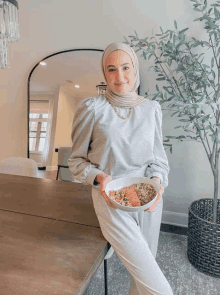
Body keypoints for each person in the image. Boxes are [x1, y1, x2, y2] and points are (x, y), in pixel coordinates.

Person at [68, 42, 174, 295]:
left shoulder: (151, 109)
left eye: (126, 68)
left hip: (147, 198)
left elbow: (158, 159)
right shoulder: (92, 108)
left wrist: (157, 184)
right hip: (110, 199)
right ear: (104, 74)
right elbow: (76, 161)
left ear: (135, 69)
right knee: (159, 288)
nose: (120, 76)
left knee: (141, 278)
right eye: (112, 69)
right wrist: (100, 178)